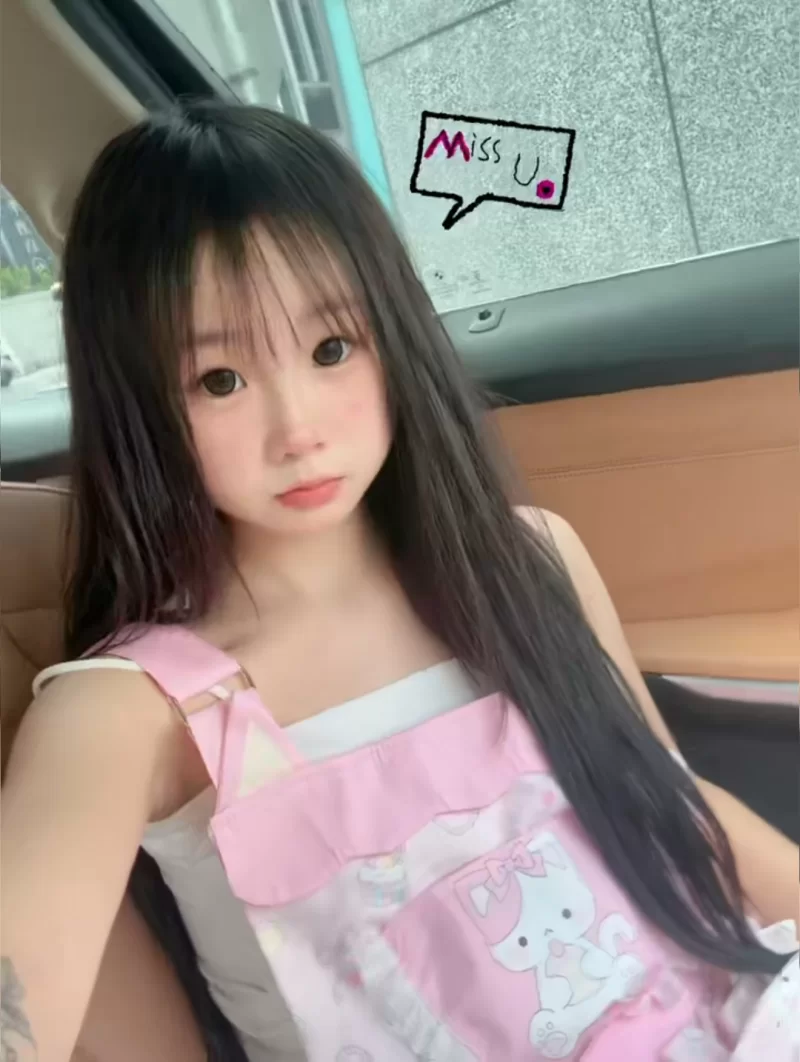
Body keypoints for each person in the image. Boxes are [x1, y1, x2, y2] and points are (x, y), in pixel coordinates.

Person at [1, 99, 797, 1062]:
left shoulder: (528, 561)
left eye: (332, 349)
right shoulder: (128, 711)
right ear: (136, 399)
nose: (299, 428)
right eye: (219, 380)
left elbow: (677, 813)